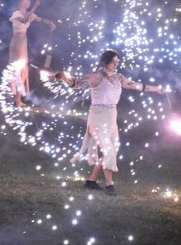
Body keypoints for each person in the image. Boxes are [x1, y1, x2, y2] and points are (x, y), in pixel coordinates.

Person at [55, 49, 163, 196]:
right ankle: (110, 185)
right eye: (113, 62)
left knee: (112, 150)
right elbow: (77, 83)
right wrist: (64, 78)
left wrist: (156, 89)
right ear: (105, 62)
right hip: (97, 118)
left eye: (117, 62)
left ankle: (91, 181)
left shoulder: (118, 77)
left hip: (112, 117)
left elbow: (135, 85)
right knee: (108, 150)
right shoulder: (96, 76)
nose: (116, 64)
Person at [9, 0, 56, 107]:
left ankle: (17, 99)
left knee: (23, 71)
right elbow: (25, 20)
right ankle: (15, 98)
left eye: (30, 1)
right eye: (27, 1)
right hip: (17, 42)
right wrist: (35, 6)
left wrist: (50, 22)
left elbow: (40, 19)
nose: (29, 3)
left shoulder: (30, 15)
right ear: (21, 2)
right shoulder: (17, 14)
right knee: (18, 70)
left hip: (23, 42)